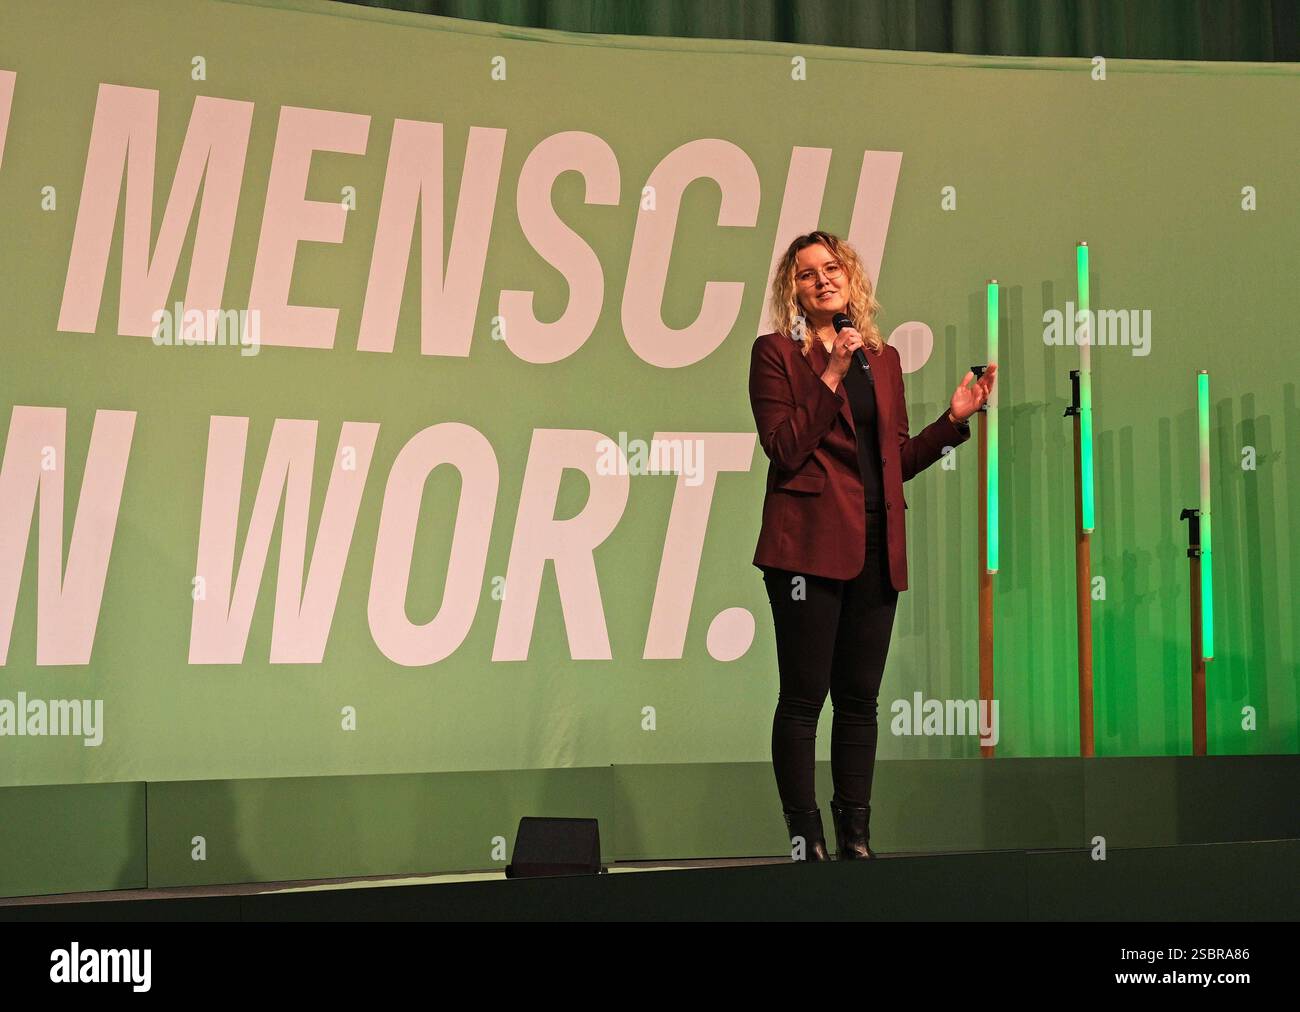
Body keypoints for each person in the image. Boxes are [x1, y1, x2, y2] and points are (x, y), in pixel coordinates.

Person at [749, 230, 996, 861]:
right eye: (807, 275)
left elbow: (897, 460)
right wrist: (829, 373)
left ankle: (856, 838)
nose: (823, 279)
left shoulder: (882, 360)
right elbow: (784, 448)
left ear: (851, 278)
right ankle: (807, 842)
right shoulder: (776, 354)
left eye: (832, 268)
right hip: (805, 549)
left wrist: (954, 421)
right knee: (804, 698)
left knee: (860, 700)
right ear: (793, 292)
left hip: (876, 547)